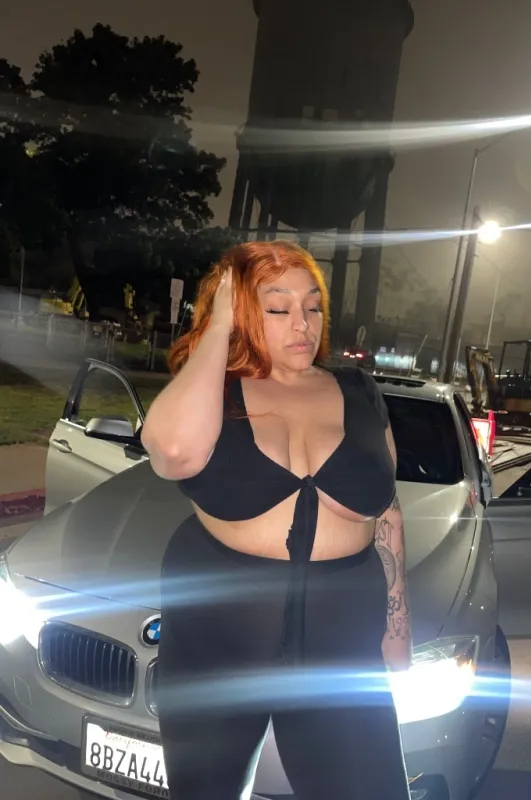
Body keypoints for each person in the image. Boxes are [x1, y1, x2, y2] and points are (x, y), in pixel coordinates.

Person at [141, 240, 412, 800]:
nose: (303, 324)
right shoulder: (214, 393)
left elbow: (387, 509)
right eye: (277, 307)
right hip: (217, 645)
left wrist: (397, 624)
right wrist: (220, 324)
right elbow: (172, 451)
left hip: (341, 652)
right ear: (242, 310)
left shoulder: (359, 391)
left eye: (312, 306)